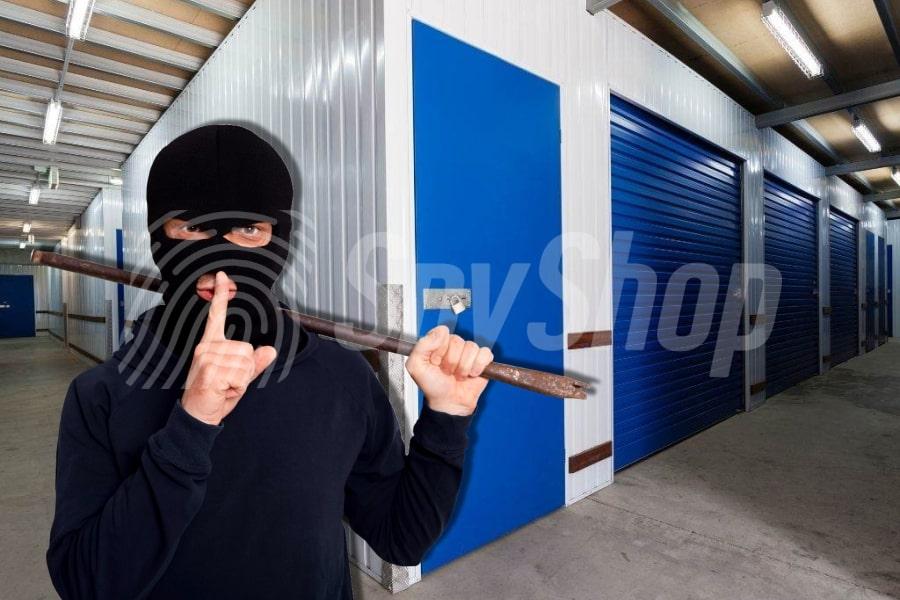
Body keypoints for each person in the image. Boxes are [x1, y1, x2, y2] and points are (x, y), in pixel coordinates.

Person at [47, 125, 493, 599]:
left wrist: (445, 419)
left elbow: (401, 539)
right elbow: (84, 583)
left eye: (248, 229)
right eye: (194, 227)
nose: (219, 257)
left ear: (280, 239)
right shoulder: (102, 395)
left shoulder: (342, 378)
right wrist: (190, 425)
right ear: (159, 236)